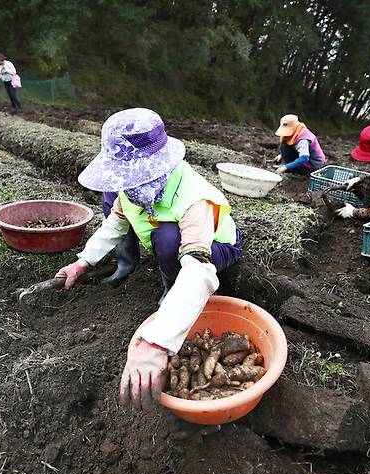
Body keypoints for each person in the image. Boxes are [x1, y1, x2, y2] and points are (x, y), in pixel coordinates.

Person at [54, 108, 243, 411]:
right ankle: (159, 278)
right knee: (158, 234)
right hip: (179, 246)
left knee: (170, 241)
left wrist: (157, 342)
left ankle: (172, 291)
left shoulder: (193, 199)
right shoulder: (131, 191)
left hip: (215, 248)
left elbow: (199, 268)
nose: (126, 185)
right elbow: (113, 225)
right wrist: (82, 263)